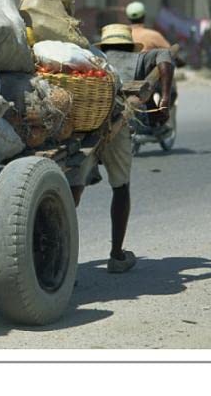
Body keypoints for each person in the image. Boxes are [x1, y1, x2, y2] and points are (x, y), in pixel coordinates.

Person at [68, 23, 174, 273]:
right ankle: (117, 256)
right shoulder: (138, 59)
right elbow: (165, 56)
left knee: (74, 190)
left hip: (85, 123)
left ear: (105, 44)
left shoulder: (93, 57)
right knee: (121, 187)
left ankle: (65, 258)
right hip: (117, 124)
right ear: (129, 45)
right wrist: (165, 99)